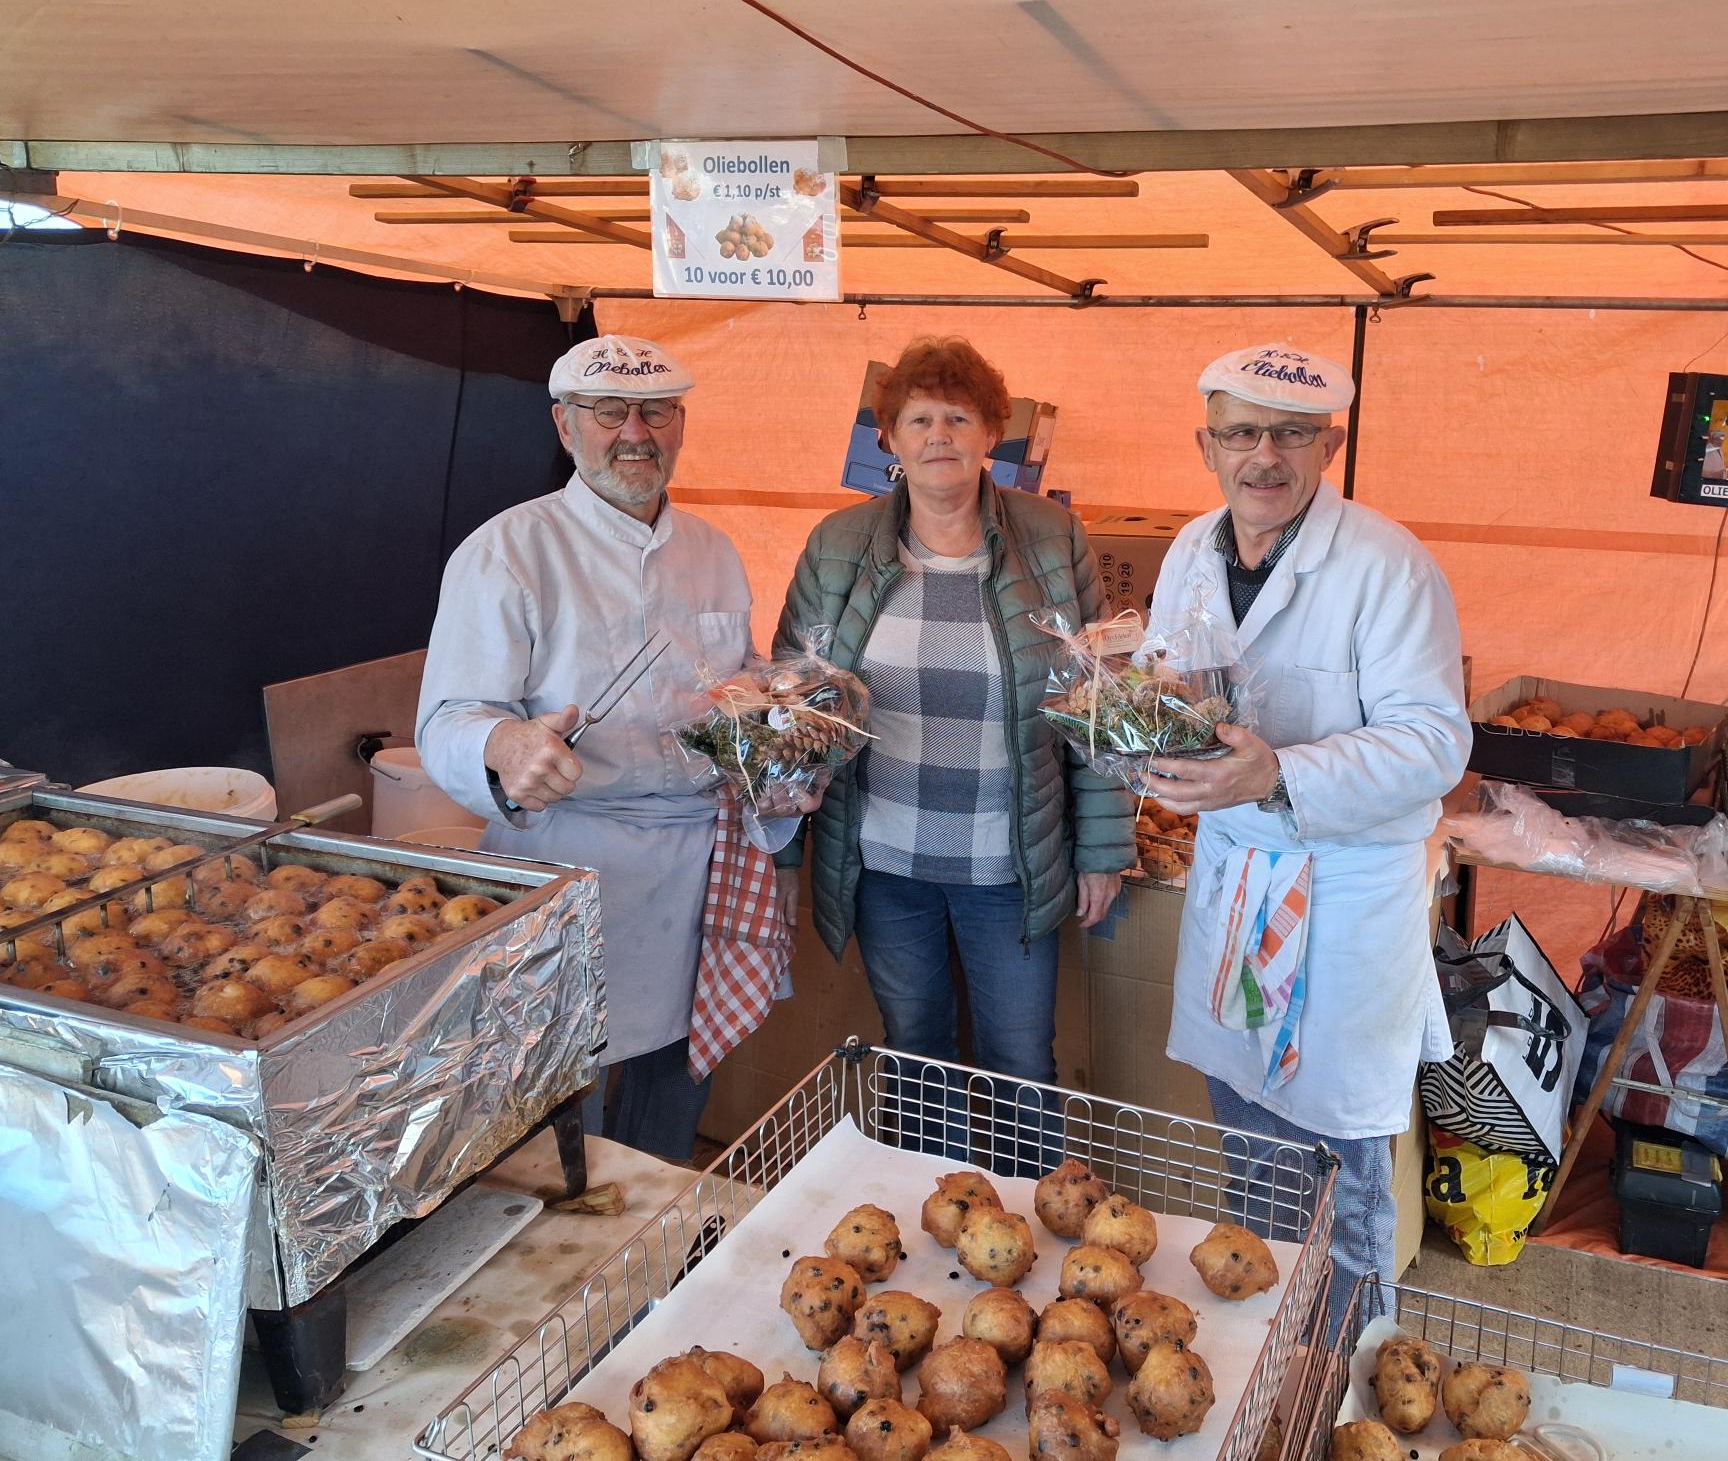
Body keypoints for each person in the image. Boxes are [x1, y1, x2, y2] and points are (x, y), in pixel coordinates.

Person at [1142, 342, 1473, 1311]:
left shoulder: (1387, 566)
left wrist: (1282, 771)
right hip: (1238, 885)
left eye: (1290, 434)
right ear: (1207, 445)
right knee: (1248, 1136)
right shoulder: (1188, 552)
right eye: (1241, 433)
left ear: (1328, 445)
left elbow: (1434, 744)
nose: (1265, 457)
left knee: (1338, 1172)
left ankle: (1344, 1366)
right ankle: (1263, 1358)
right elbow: (1173, 691)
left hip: (1342, 904)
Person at [775, 336, 1134, 1162]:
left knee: (1019, 1060)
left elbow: (1099, 703)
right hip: (884, 858)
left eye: (959, 417)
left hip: (1011, 861)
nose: (939, 434)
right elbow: (791, 694)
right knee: (915, 1051)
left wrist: (1103, 848)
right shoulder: (839, 545)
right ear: (890, 439)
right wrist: (781, 816)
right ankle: (937, 1213)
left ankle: (1027, 1238)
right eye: (919, 418)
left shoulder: (1052, 538)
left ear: (990, 434)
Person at [416, 333, 754, 1162]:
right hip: (570, 861)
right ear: (566, 428)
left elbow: (743, 684)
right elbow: (447, 718)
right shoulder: (507, 550)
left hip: (697, 862)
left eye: (658, 412)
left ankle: (661, 1254)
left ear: (680, 426)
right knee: (562, 1106)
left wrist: (776, 716)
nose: (635, 431)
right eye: (610, 412)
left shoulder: (714, 550)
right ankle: (578, 1273)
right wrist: (505, 743)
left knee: (677, 1084)